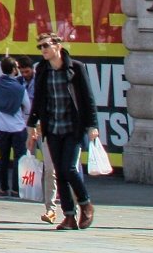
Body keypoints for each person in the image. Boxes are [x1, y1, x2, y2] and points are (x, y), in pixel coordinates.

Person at [29, 34, 101, 229]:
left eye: (45, 45)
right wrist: (31, 123)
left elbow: (88, 98)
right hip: (52, 127)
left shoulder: (76, 68)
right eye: (40, 47)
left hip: (72, 127)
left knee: (69, 168)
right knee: (59, 172)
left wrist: (92, 126)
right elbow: (38, 99)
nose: (42, 49)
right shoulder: (42, 70)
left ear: (57, 46)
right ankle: (69, 216)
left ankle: (85, 204)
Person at [0, 55, 31, 198]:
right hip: (18, 127)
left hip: (2, 127)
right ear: (14, 69)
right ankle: (15, 189)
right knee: (19, 158)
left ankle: (3, 188)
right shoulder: (19, 88)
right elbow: (28, 107)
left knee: (3, 158)